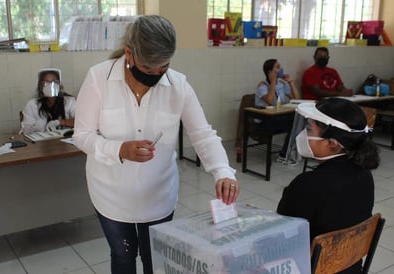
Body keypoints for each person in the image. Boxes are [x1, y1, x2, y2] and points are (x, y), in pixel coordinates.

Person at [73, 15, 239, 274]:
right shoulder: (98, 78)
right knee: (123, 256)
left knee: (156, 260)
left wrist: (223, 171)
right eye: (149, 70)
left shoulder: (178, 85)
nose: (156, 76)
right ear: (129, 54)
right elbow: (82, 135)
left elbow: (203, 134)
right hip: (110, 194)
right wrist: (119, 149)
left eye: (162, 69)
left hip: (158, 195)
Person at [277, 97, 379, 274]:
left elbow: (281, 238)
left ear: (333, 143)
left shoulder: (308, 184)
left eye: (309, 129)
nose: (303, 135)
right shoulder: (364, 175)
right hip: (350, 267)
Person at [255, 59, 300, 163]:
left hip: (278, 117)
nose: (280, 69)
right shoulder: (262, 85)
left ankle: (287, 153)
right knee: (294, 124)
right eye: (277, 67)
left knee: (297, 121)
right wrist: (273, 82)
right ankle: (285, 154)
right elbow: (270, 100)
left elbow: (296, 99)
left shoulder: (282, 84)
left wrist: (290, 82)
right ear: (269, 71)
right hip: (265, 120)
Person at [20, 68, 76, 134]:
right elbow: (26, 128)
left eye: (54, 82)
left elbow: (82, 121)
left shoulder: (70, 101)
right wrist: (28, 130)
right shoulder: (32, 105)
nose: (51, 85)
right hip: (41, 142)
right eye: (46, 82)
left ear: (59, 85)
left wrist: (59, 122)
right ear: (40, 86)